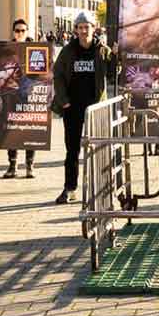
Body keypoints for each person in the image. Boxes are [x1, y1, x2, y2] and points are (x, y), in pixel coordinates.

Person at [52, 11, 109, 204]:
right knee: (72, 150)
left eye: (87, 27)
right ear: (76, 29)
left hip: (96, 108)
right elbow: (57, 75)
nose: (84, 31)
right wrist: (64, 100)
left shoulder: (102, 50)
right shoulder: (68, 51)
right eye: (80, 27)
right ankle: (70, 188)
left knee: (98, 148)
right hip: (73, 107)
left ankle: (99, 188)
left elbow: (113, 73)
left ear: (94, 29)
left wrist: (116, 57)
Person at [2, 18, 37, 180]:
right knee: (12, 130)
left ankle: (30, 165)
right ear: (13, 32)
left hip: (30, 94)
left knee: (30, 129)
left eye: (23, 30)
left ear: (27, 32)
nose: (20, 33)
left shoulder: (36, 49)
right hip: (12, 94)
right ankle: (12, 165)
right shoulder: (7, 49)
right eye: (17, 30)